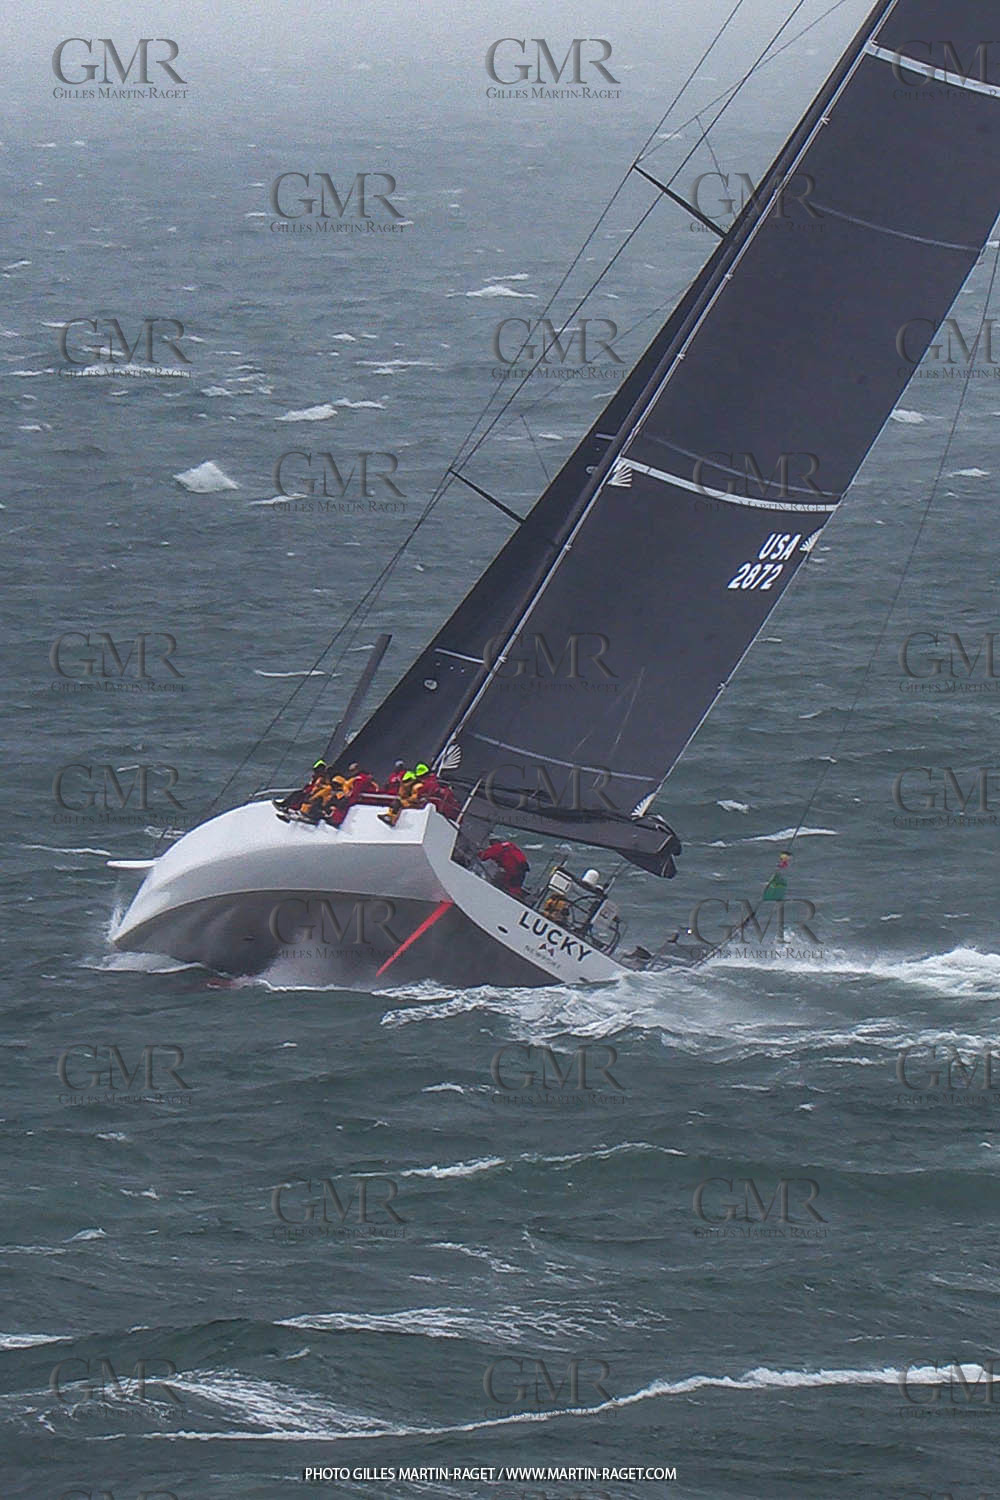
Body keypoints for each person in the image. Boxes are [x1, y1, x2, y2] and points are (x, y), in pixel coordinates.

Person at [325, 763, 378, 827]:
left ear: (357, 769)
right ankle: (331, 815)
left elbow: (356, 791)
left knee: (343, 803)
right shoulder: (359, 777)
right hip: (356, 795)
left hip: (361, 798)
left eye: (353, 770)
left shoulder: (360, 778)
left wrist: (348, 797)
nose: (351, 772)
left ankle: (336, 820)